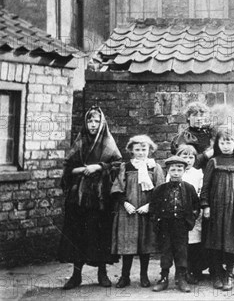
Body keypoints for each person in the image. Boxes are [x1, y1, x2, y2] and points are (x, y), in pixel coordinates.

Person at [58, 106, 122, 290]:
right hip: (78, 197)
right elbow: (68, 167)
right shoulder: (80, 142)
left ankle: (102, 273)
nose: (93, 125)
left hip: (101, 198)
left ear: (102, 124)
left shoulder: (108, 143)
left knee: (99, 233)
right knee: (77, 233)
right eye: (89, 121)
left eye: (96, 121)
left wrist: (99, 167)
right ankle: (76, 275)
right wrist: (79, 170)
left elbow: (117, 165)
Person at [201, 127, 234, 291]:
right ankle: (216, 273)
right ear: (217, 144)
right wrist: (206, 205)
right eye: (222, 142)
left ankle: (229, 274)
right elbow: (206, 187)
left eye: (228, 142)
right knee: (216, 240)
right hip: (216, 208)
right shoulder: (213, 162)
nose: (225, 145)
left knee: (232, 242)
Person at [111, 135, 165, 288]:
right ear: (131, 151)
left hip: (146, 211)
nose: (141, 153)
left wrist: (150, 206)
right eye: (137, 150)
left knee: (145, 243)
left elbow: (160, 190)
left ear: (150, 150)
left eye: (144, 149)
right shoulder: (126, 167)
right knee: (128, 244)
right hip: (129, 211)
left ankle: (144, 276)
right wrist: (125, 203)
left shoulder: (155, 167)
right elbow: (117, 188)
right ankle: (125, 276)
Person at [149, 156, 201, 293]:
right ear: (168, 171)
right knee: (166, 251)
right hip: (165, 225)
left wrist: (191, 219)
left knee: (181, 251)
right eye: (173, 169)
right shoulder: (160, 189)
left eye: (179, 169)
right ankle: (164, 278)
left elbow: (196, 205)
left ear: (184, 171)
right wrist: (157, 220)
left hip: (181, 225)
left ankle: (181, 278)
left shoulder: (189, 188)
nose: (176, 172)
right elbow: (153, 207)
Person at [170, 145, 209, 284]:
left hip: (194, 213)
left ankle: (194, 271)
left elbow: (201, 191)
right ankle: (181, 271)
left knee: (194, 242)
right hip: (178, 214)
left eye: (191, 157)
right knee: (181, 243)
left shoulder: (198, 173)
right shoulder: (173, 173)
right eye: (184, 156)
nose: (187, 160)